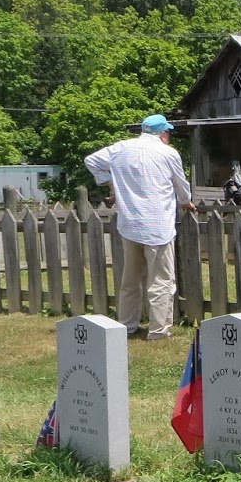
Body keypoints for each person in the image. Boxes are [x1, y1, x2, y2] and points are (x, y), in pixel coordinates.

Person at [85, 114, 192, 340]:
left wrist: (110, 183)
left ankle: (127, 325)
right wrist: (186, 201)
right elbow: (180, 183)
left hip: (130, 223)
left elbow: (91, 161)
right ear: (162, 133)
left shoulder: (121, 148)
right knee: (161, 281)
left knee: (130, 280)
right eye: (168, 132)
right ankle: (158, 330)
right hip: (158, 225)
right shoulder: (168, 153)